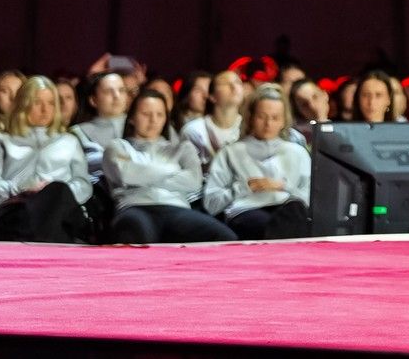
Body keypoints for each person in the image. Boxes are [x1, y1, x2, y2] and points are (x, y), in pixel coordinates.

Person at [104, 90, 235, 244]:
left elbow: (193, 181)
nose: (153, 120)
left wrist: (143, 174)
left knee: (225, 237)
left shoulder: (182, 148)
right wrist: (172, 170)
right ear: (132, 118)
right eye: (146, 114)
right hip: (135, 206)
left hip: (177, 208)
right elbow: (126, 175)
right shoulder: (118, 147)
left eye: (159, 114)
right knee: (133, 232)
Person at [0, 75, 93, 242]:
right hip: (16, 209)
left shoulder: (69, 141)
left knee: (57, 191)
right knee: (46, 219)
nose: (45, 109)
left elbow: (83, 184)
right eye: (38, 102)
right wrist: (20, 187)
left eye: (51, 103)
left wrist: (54, 192)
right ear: (23, 104)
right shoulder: (0, 141)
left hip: (63, 209)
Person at [204, 85, 311, 240]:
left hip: (288, 208)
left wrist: (283, 187)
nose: (268, 124)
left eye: (275, 118)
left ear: (284, 120)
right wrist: (243, 187)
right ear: (251, 117)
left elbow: (312, 196)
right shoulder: (231, 152)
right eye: (262, 116)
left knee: (295, 212)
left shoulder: (297, 152)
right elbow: (211, 203)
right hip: (247, 209)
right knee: (271, 226)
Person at [72, 70, 131, 182]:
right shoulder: (79, 132)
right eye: (109, 92)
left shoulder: (141, 124)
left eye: (122, 90)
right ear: (93, 100)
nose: (116, 96)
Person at [183, 69, 245, 164]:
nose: (234, 87)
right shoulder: (194, 131)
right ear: (212, 96)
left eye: (238, 82)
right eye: (225, 83)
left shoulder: (249, 128)